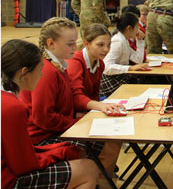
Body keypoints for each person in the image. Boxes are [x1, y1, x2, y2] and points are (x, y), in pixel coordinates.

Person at [19, 19, 124, 181]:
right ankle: (97, 180)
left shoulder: (58, 66)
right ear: (51, 43)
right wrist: (77, 122)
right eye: (70, 44)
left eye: (75, 43)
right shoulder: (47, 70)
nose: (75, 48)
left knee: (112, 141)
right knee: (105, 145)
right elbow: (43, 119)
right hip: (41, 137)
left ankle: (101, 181)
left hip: (58, 128)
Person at [2, 39, 101, 189]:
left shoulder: (8, 98)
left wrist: (60, 150)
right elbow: (23, 165)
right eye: (40, 69)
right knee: (89, 169)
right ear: (24, 72)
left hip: (12, 165)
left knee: (79, 155)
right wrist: (62, 152)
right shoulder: (12, 107)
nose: (41, 75)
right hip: (6, 179)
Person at [101, 10, 148, 96]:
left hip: (120, 76)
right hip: (111, 81)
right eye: (137, 27)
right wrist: (129, 68)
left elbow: (138, 60)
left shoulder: (124, 39)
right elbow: (106, 67)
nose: (138, 30)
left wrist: (140, 41)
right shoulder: (118, 41)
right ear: (129, 28)